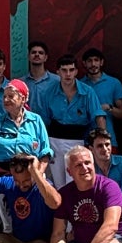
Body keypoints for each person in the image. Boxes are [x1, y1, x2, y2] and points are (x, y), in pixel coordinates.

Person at [37, 54, 106, 185]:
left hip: (79, 140)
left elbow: (98, 116)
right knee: (59, 183)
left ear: (76, 71)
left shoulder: (87, 92)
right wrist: (44, 146)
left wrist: (102, 141)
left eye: (71, 70)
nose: (68, 74)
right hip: (55, 141)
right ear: (57, 72)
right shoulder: (49, 93)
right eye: (64, 70)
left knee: (77, 181)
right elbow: (44, 122)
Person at [0, 80, 51, 169]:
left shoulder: (36, 120)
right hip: (1, 175)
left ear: (23, 99)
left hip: (29, 176)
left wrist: (39, 174)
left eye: (10, 96)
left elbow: (45, 151)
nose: (6, 100)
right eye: (4, 96)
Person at [87, 128, 122, 229]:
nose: (105, 149)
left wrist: (110, 214)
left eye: (107, 144)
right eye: (100, 146)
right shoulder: (88, 169)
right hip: (98, 210)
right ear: (91, 149)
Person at [80, 48, 122, 136]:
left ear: (101, 62)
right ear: (84, 63)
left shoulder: (114, 83)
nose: (93, 64)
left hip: (109, 139)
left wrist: (108, 107)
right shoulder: (79, 85)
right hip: (85, 139)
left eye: (96, 60)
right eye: (89, 61)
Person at [20, 40, 55, 117]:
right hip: (28, 125)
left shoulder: (56, 81)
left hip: (51, 126)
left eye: (40, 53)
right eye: (33, 52)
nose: (37, 54)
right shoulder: (21, 83)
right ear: (28, 57)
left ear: (45, 58)